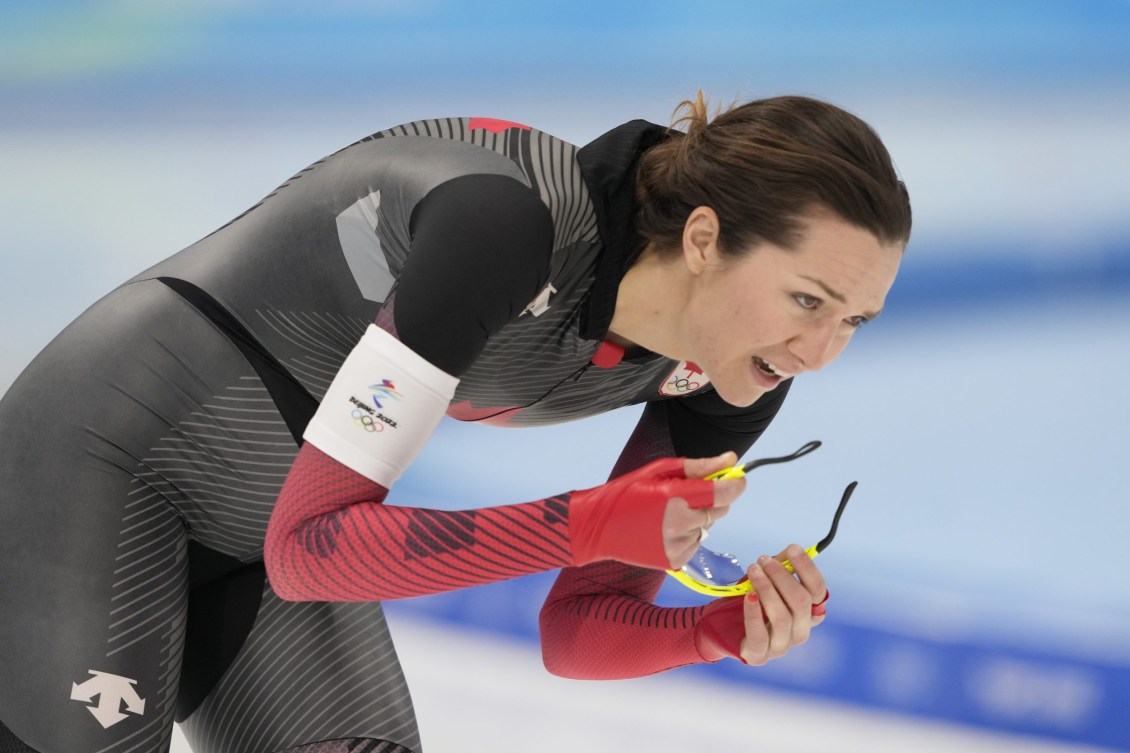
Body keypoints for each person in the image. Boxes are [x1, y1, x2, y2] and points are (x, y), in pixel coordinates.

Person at [0, 92, 911, 753]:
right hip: (104, 466)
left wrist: (714, 631)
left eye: (854, 321)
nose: (821, 351)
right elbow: (312, 547)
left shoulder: (737, 372)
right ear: (706, 240)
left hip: (272, 541)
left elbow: (578, 628)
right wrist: (590, 520)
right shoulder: (502, 226)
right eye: (807, 298)